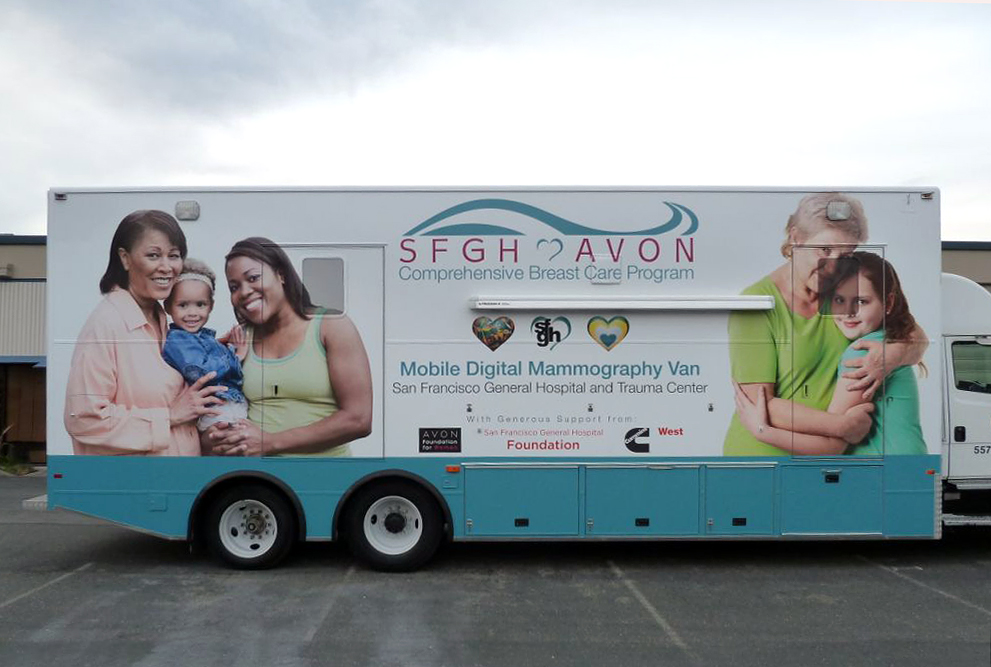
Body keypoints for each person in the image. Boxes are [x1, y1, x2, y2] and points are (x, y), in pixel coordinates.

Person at [723, 193, 928, 456]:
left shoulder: (841, 293)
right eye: (824, 250)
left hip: (826, 462)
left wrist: (892, 355)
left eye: (846, 255)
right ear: (796, 239)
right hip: (764, 457)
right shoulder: (757, 303)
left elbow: (912, 332)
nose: (833, 267)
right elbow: (758, 403)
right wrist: (842, 426)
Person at [64, 210, 226, 455]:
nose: (166, 267)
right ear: (125, 259)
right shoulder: (106, 323)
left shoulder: (160, 317)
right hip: (135, 477)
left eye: (174, 256)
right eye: (153, 255)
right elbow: (84, 419)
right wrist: (170, 416)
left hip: (176, 474)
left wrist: (219, 350)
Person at [204, 237, 373, 456]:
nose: (244, 292)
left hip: (327, 473)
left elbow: (358, 419)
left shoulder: (331, 325)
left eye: (253, 278)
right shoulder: (240, 339)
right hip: (258, 475)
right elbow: (216, 407)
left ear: (281, 274)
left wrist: (270, 442)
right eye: (234, 287)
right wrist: (216, 435)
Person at [162, 258, 249, 431]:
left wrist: (220, 345)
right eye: (183, 305)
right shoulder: (176, 339)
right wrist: (236, 355)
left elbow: (203, 354)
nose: (192, 313)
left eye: (200, 304)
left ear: (211, 306)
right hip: (214, 409)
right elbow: (202, 371)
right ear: (168, 306)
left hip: (229, 404)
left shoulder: (202, 337)